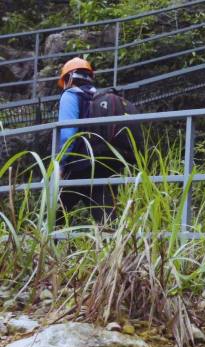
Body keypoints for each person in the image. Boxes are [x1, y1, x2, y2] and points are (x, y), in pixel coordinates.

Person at [56, 57, 121, 224]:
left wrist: (60, 166)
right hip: (104, 163)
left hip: (78, 165)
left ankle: (44, 247)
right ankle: (117, 249)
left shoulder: (70, 95)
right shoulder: (102, 98)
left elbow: (68, 134)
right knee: (107, 221)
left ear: (69, 78)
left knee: (52, 214)